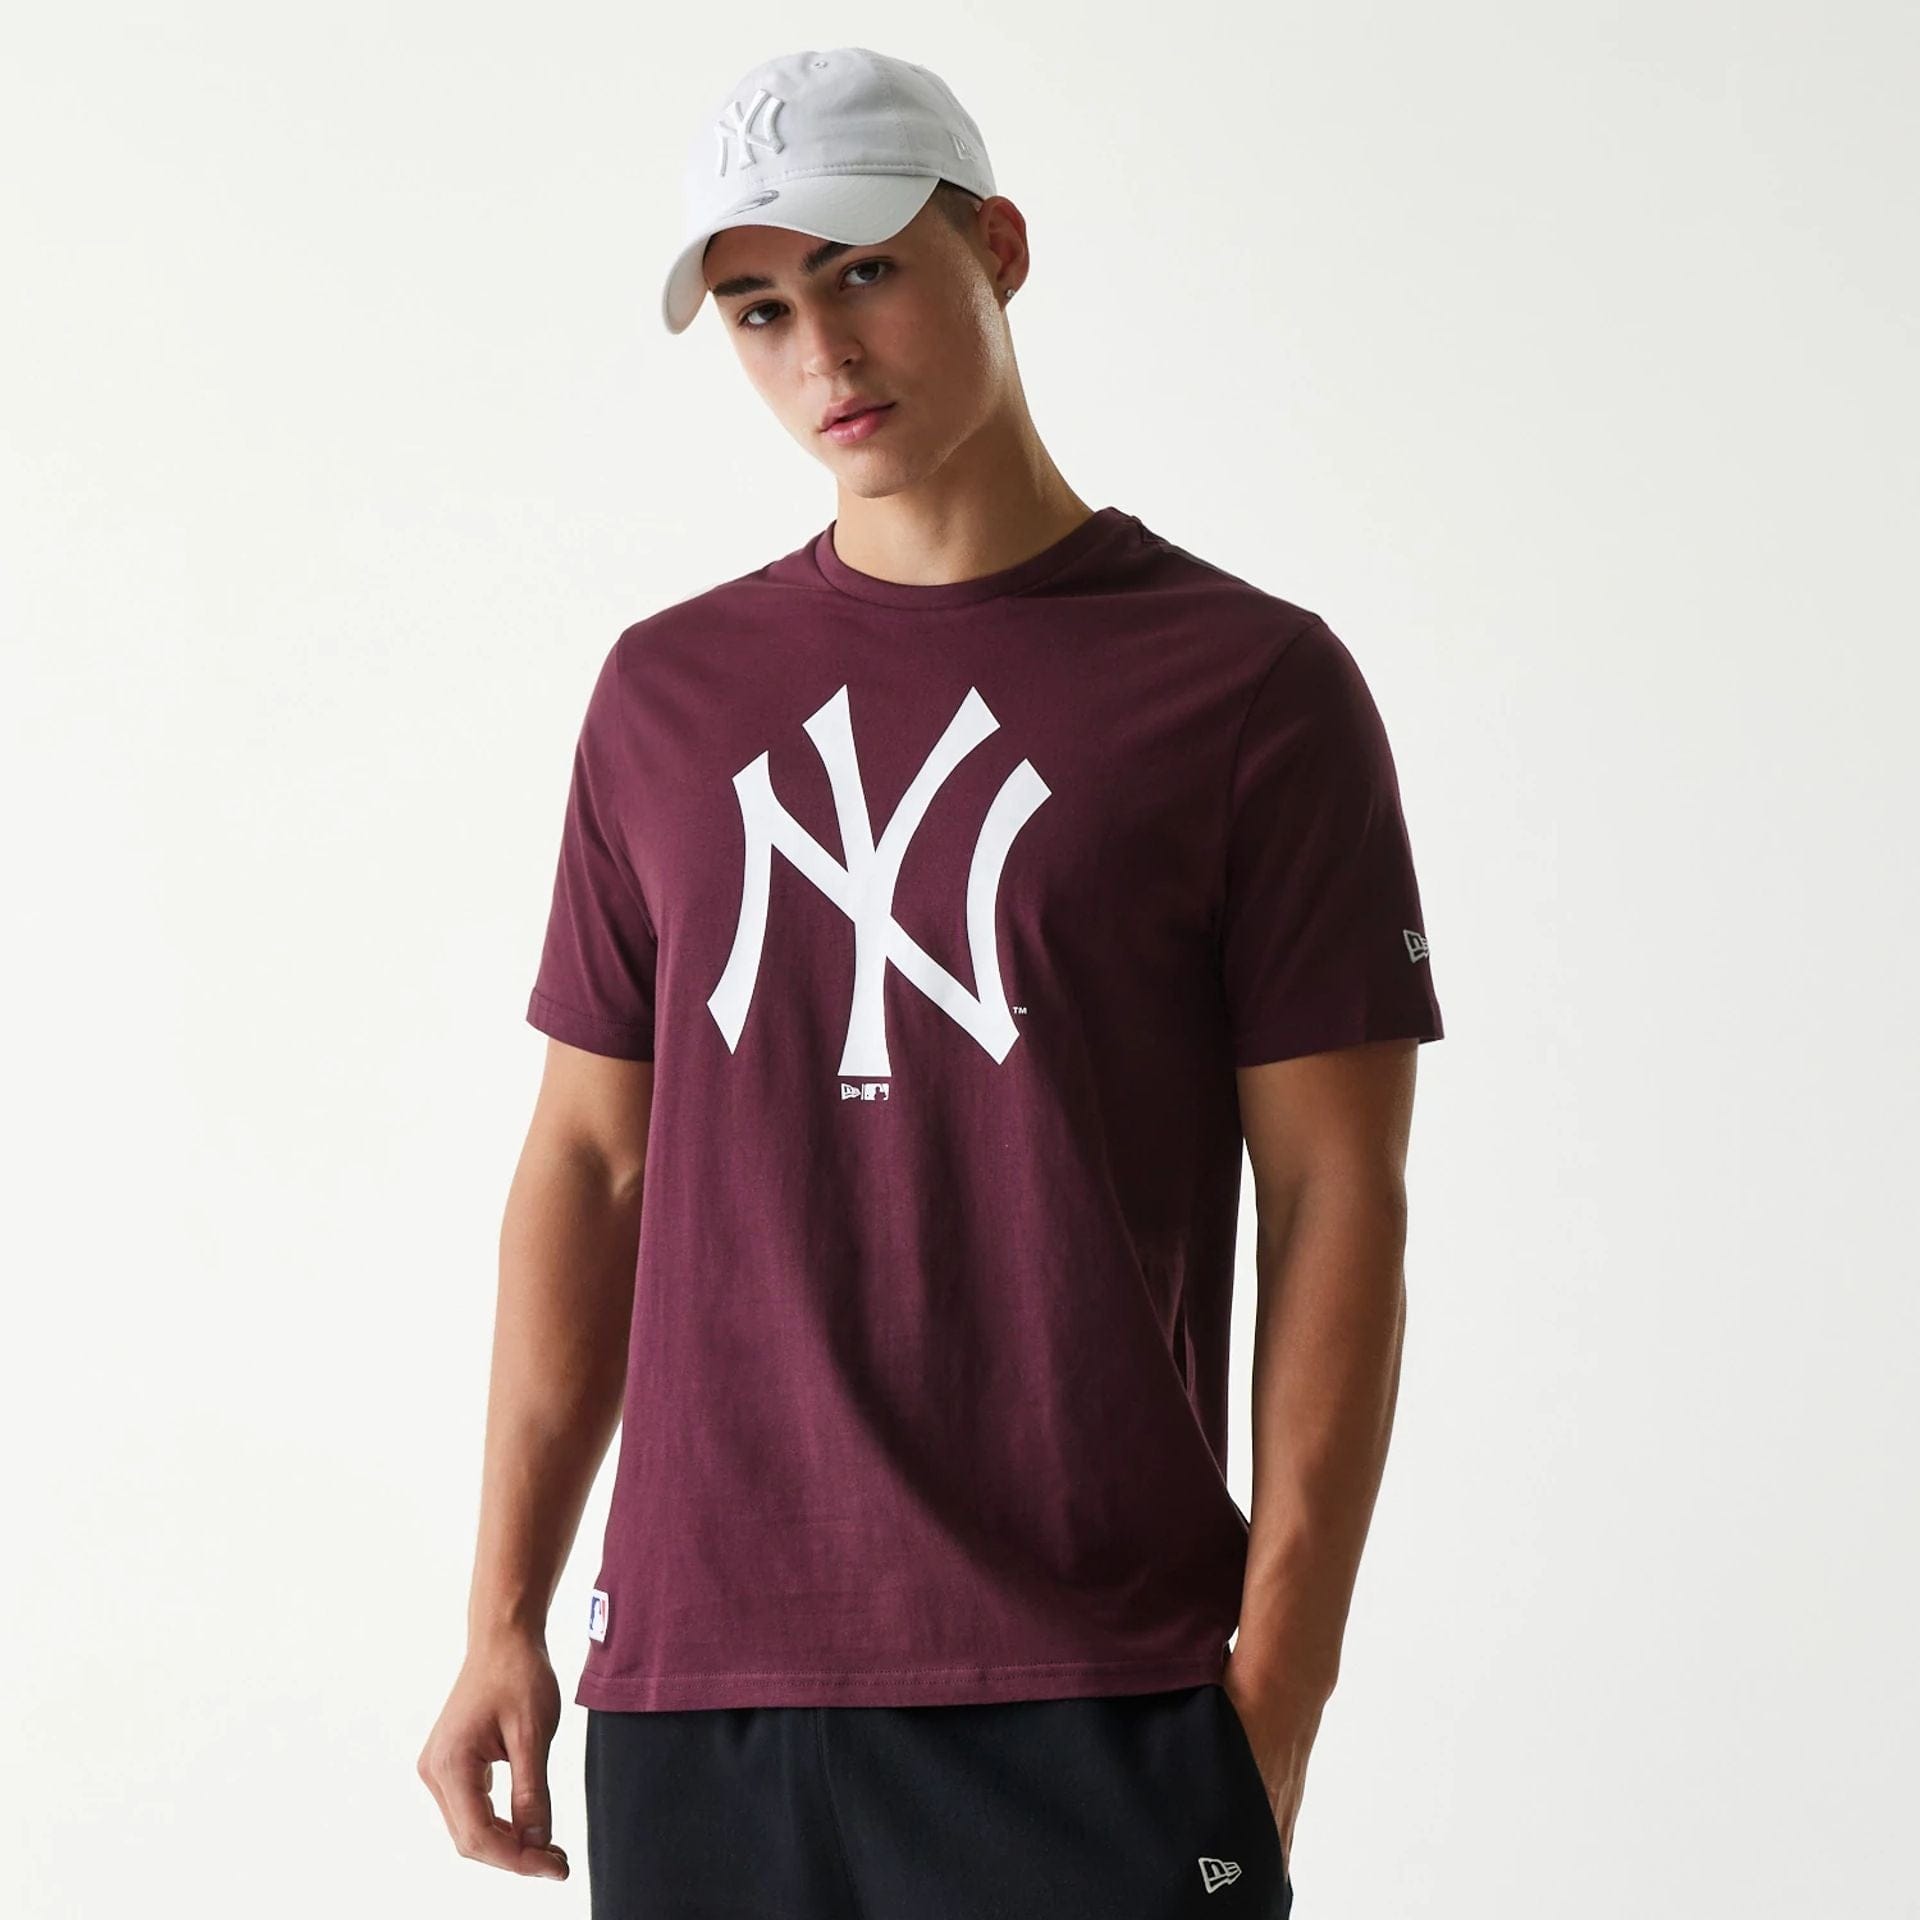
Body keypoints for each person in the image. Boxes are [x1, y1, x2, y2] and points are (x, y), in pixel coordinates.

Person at [416, 44, 1444, 1918]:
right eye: (759, 308)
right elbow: (587, 1160)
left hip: (1095, 1690)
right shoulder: (666, 696)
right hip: (698, 1699)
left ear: (999, 248)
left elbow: (1337, 1197)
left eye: (866, 270)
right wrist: (503, 1612)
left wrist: (1278, 1695)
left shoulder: (1248, 688)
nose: (822, 351)